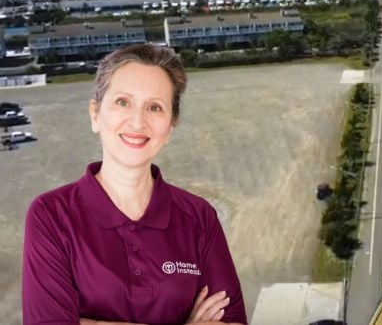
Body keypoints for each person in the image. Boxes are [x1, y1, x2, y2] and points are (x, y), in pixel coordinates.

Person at [22, 44, 247, 325]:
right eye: (123, 102)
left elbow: (233, 320)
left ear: (170, 126)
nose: (137, 122)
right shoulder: (51, 215)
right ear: (95, 114)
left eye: (154, 107)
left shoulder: (199, 217)